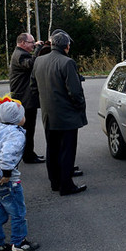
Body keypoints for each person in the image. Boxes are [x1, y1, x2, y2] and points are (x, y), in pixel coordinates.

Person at [0, 101, 40, 251]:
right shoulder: (15, 134)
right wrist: (6, 173)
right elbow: (7, 155)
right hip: (6, 180)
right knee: (18, 211)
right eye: (22, 115)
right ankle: (19, 242)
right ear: (18, 118)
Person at [31, 30, 88, 196]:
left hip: (48, 114)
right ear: (67, 46)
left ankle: (55, 183)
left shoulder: (39, 61)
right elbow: (75, 92)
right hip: (67, 115)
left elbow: (33, 87)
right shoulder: (67, 62)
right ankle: (66, 185)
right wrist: (79, 106)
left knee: (52, 149)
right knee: (67, 151)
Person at [9, 33, 45, 164]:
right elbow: (31, 64)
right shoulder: (20, 55)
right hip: (24, 99)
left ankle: (29, 153)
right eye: (32, 42)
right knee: (28, 128)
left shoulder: (19, 53)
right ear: (23, 43)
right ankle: (28, 155)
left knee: (28, 128)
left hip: (24, 98)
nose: (33, 45)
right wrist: (38, 50)